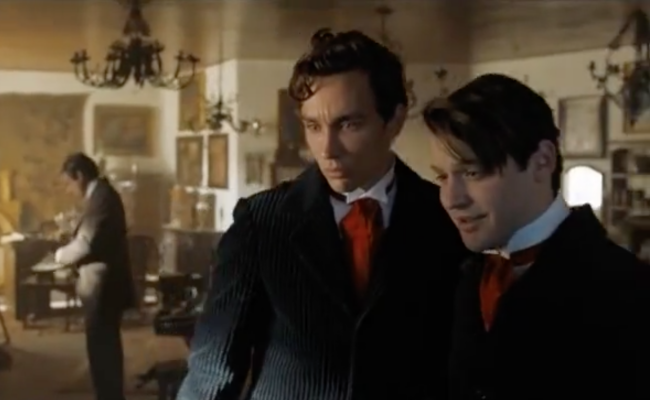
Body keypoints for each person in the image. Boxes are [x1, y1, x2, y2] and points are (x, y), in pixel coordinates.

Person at [178, 29, 468, 400]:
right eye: (313, 126)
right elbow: (213, 369)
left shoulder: (445, 216)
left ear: (394, 120)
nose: (327, 149)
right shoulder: (262, 221)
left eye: (349, 124)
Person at [423, 73, 650, 400]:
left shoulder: (625, 290)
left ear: (542, 162)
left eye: (472, 172)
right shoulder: (465, 278)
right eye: (442, 177)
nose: (451, 199)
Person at [55, 152, 136, 400]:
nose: (68, 191)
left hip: (104, 287)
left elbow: (85, 244)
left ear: (79, 176)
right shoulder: (101, 195)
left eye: (68, 184)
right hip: (102, 285)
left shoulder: (102, 197)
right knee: (103, 347)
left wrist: (59, 256)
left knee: (102, 349)